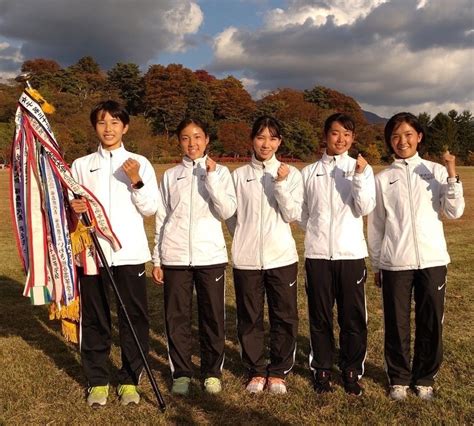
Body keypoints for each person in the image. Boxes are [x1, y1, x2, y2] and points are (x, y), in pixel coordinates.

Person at [368, 112, 465, 401]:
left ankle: (424, 379)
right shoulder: (382, 178)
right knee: (396, 323)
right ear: (389, 141)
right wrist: (377, 263)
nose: (402, 141)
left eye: (408, 134)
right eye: (396, 136)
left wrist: (451, 173)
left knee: (431, 320)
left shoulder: (435, 171)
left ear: (419, 137)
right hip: (395, 261)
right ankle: (398, 378)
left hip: (432, 260)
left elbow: (454, 211)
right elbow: (376, 225)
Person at [70, 100, 159, 407]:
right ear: (95, 127)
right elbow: (70, 206)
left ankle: (131, 379)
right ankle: (97, 379)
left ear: (125, 127)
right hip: (93, 254)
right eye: (102, 123)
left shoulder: (138, 162)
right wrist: (74, 207)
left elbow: (150, 208)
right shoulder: (81, 165)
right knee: (95, 317)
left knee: (133, 317)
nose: (108, 129)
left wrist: (136, 180)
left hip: (129, 253)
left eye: (114, 123)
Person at [152, 118, 236, 396]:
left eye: (198, 137)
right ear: (179, 141)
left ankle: (212, 372)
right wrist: (157, 259)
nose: (192, 143)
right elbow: (162, 218)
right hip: (175, 256)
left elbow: (226, 211)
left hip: (210, 255)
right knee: (177, 318)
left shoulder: (221, 172)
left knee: (212, 316)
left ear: (207, 139)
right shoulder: (171, 175)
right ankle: (182, 372)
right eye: (186, 138)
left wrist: (211, 178)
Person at [299, 113, 375, 396]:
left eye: (347, 134)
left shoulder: (362, 169)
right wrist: (318, 232)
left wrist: (357, 176)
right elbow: (303, 214)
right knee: (320, 316)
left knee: (352, 317)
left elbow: (365, 206)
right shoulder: (309, 172)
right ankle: (321, 368)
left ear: (353, 138)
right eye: (335, 133)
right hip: (318, 255)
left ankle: (352, 369)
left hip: (351, 254)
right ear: (325, 135)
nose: (341, 139)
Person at [227, 116, 303, 394]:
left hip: (281, 257)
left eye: (272, 138)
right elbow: (232, 218)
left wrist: (281, 184)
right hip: (246, 259)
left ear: (279, 141)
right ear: (252, 140)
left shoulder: (291, 174)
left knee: (284, 316)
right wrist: (244, 239)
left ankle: (279, 371)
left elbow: (292, 214)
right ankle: (256, 370)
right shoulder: (238, 176)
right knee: (250, 316)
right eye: (261, 137)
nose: (266, 143)